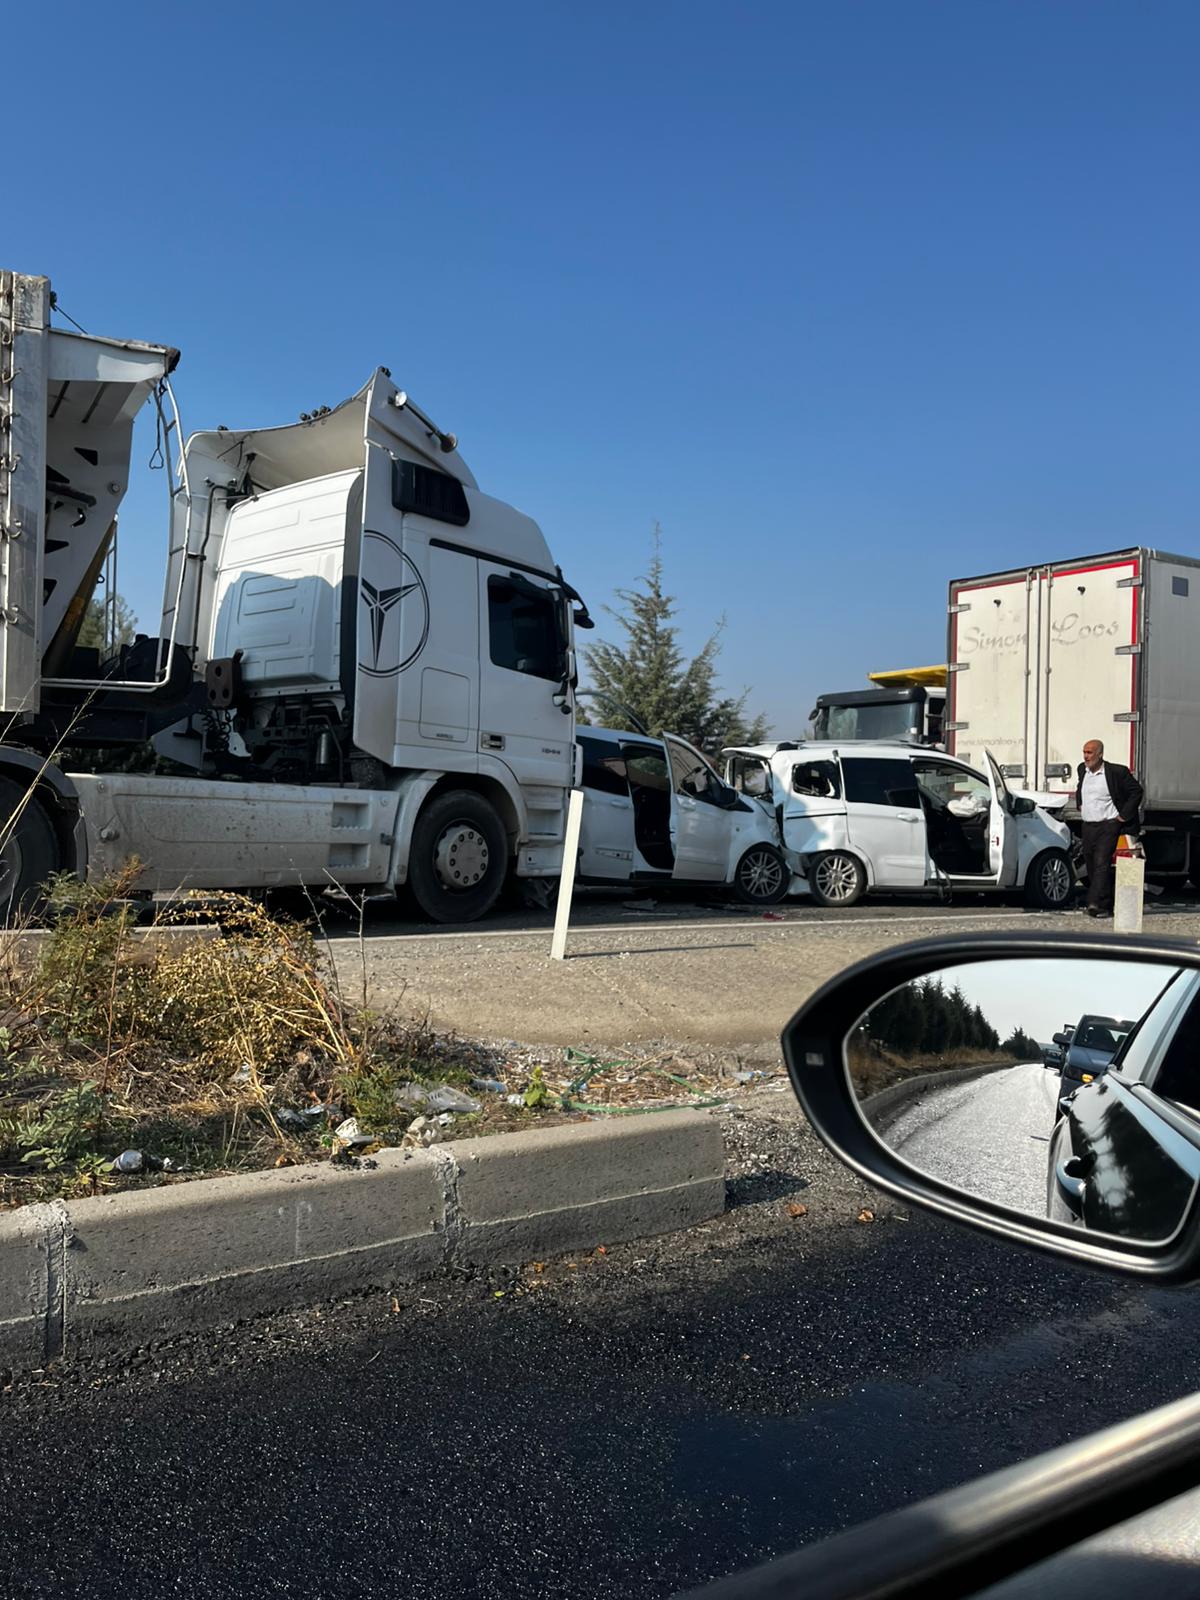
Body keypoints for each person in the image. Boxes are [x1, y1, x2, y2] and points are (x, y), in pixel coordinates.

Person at [1075, 739, 1144, 917]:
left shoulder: (1116, 772)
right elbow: (1080, 788)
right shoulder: (1082, 770)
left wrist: (1122, 816)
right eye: (1084, 752)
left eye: (1089, 753)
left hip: (1109, 824)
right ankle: (1105, 902)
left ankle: (1095, 902)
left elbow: (1136, 791)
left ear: (1100, 754)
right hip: (1088, 824)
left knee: (1101, 862)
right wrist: (1080, 804)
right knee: (1090, 862)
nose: (1086, 756)